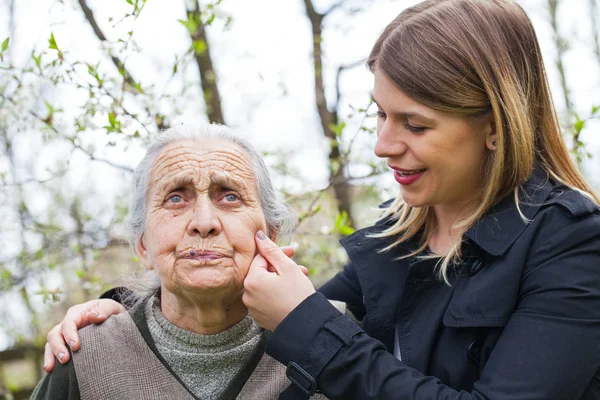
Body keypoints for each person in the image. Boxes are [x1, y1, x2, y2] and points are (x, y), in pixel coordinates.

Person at [46, 0, 600, 398]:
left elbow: (309, 323)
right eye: (381, 114)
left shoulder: (571, 243)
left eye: (414, 124)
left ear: (496, 126)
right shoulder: (397, 236)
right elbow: (251, 294)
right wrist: (120, 313)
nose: (383, 145)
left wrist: (308, 325)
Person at [33, 124, 332, 400]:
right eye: (176, 198)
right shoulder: (85, 359)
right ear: (142, 245)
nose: (204, 223)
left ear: (271, 235)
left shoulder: (338, 346)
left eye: (229, 197)